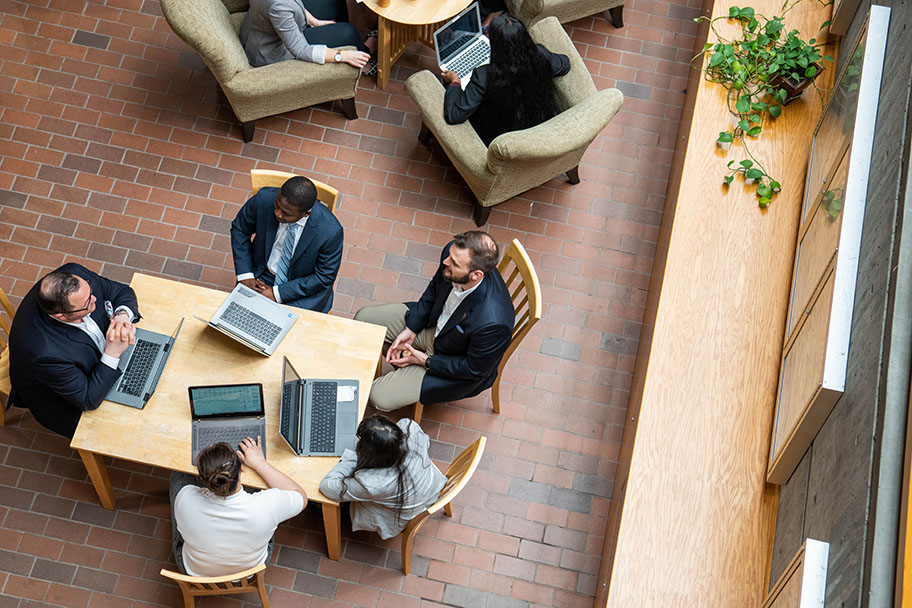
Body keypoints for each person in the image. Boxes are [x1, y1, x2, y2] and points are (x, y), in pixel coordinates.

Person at [354, 231, 514, 412]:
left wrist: (425, 361)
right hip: (434, 325)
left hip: (449, 359)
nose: (446, 262)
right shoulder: (452, 255)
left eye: (454, 263)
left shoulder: (493, 323)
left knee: (378, 397)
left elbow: (472, 369)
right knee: (363, 321)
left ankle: (407, 371)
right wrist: (412, 328)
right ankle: (403, 368)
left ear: (476, 275)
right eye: (450, 256)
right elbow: (434, 289)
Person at [7, 263, 138, 438]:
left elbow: (120, 291)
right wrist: (112, 353)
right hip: (66, 400)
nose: (95, 300)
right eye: (87, 304)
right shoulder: (43, 353)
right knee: (129, 428)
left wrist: (122, 314)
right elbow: (87, 399)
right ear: (61, 316)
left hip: (97, 360)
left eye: (90, 293)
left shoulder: (76, 277)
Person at [170, 437, 307, 577]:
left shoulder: (185, 499)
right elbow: (300, 495)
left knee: (178, 473)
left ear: (202, 478)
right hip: (250, 570)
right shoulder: (266, 506)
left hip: (195, 572)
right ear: (241, 468)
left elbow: (186, 491)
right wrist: (259, 463)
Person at [442, 14, 571, 146]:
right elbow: (565, 64)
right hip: (538, 121)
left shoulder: (483, 75)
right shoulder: (541, 56)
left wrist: (455, 82)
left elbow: (453, 115)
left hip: (499, 135)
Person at [230, 175, 343, 313]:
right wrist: (245, 275)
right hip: (261, 275)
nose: (277, 213)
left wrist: (277, 294)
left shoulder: (331, 231)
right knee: (241, 319)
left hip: (302, 290)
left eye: (286, 213)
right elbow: (240, 229)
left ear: (306, 213)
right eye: (277, 205)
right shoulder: (263, 199)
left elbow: (323, 277)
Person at [320, 415, 446, 538]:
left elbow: (328, 487)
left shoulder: (373, 484)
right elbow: (426, 441)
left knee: (320, 502)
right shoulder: (410, 428)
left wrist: (352, 456)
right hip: (431, 487)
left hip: (398, 515)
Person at [239, 0, 374, 72]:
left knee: (335, 2)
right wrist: (342, 55)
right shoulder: (277, 6)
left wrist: (315, 22)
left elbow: (292, 4)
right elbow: (301, 50)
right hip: (274, 50)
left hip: (271, 26)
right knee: (349, 32)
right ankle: (364, 61)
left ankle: (340, 37)